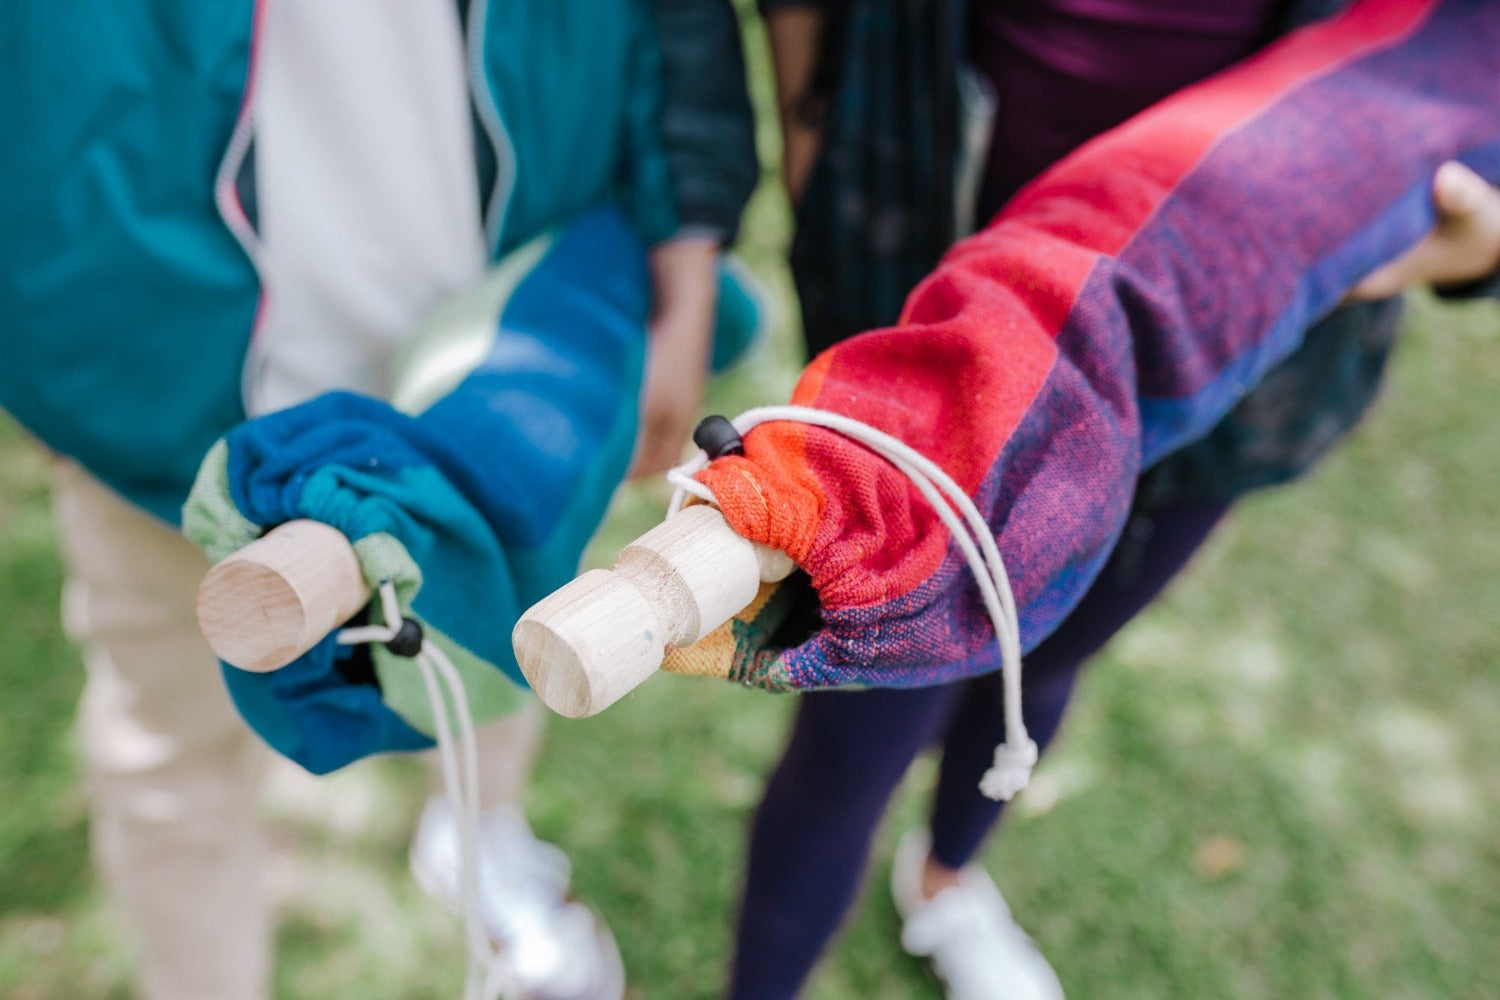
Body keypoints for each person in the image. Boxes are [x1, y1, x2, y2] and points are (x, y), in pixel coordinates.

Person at [717, 1, 1500, 997]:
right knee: (859, 722)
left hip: (1240, 369)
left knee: (1050, 651)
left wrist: (1472, 247)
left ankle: (945, 878)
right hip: (942, 311)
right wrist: (810, 122)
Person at [0, 2, 757, 999]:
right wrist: (48, 328)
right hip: (164, 370)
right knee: (172, 740)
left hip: (494, 327)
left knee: (495, 634)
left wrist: (687, 248)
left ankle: (480, 845)